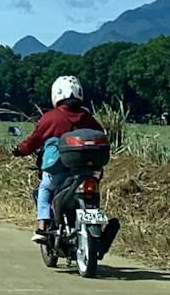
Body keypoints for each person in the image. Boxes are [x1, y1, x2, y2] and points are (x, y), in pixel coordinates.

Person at [10, 76, 102, 243]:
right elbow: (101, 134)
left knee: (44, 188)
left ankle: (42, 227)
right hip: (85, 172)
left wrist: (19, 150)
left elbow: (34, 140)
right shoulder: (88, 118)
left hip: (59, 173)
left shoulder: (51, 117)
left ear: (57, 93)